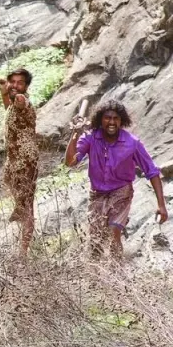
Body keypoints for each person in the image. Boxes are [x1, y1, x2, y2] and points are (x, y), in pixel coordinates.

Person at [65, 100, 167, 258]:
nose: (111, 122)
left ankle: (117, 272)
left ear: (121, 121)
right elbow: (70, 162)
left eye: (116, 118)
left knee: (113, 232)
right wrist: (75, 133)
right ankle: (96, 275)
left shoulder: (132, 143)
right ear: (100, 119)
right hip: (97, 194)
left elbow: (152, 172)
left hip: (122, 193)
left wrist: (161, 205)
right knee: (95, 240)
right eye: (107, 118)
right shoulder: (91, 138)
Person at [0, 68, 38, 255]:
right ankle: (22, 241)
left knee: (27, 206)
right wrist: (4, 93)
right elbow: (10, 109)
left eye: (19, 82)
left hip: (26, 161)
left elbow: (20, 102)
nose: (15, 85)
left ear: (26, 86)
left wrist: (14, 94)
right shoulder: (13, 104)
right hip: (14, 160)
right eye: (12, 81)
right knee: (20, 203)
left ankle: (23, 251)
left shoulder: (23, 101)